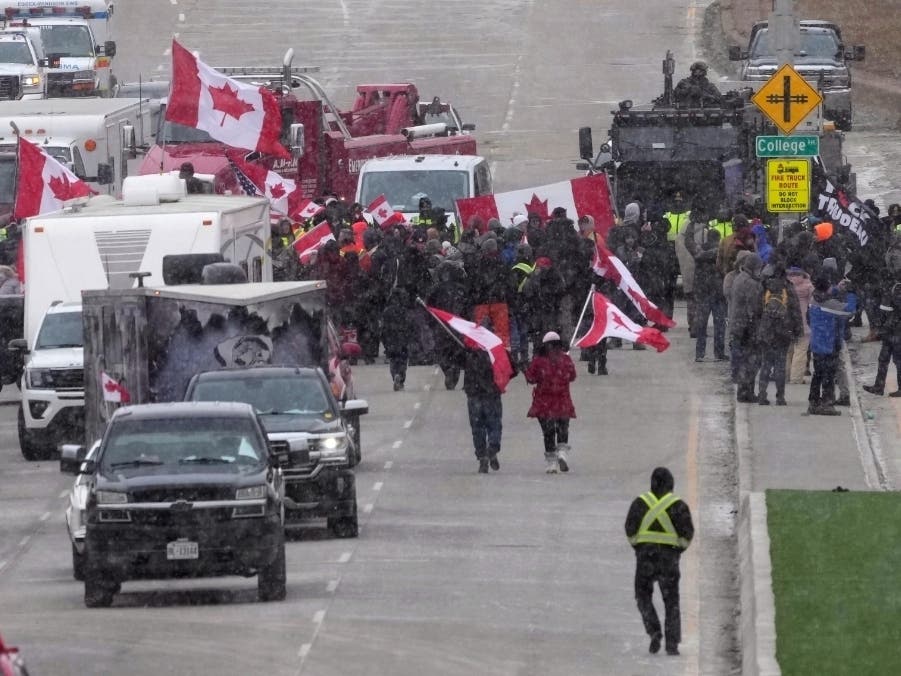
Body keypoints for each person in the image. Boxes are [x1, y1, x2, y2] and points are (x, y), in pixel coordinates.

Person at [624, 467, 694, 656]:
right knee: (671, 601)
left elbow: (630, 530)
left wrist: (639, 548)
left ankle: (654, 630)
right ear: (671, 485)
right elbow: (687, 534)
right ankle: (672, 644)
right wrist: (677, 550)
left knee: (643, 596)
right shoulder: (678, 505)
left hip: (645, 558)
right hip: (669, 560)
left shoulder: (640, 503)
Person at [524, 331, 576, 473]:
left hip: (544, 402)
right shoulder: (566, 359)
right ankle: (562, 452)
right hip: (563, 400)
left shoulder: (538, 360)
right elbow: (572, 376)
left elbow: (531, 378)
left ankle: (551, 463)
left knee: (548, 432)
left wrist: (525, 368)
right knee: (562, 428)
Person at [460, 344, 515, 473]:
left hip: (474, 394)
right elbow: (513, 369)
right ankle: (492, 448)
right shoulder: (497, 352)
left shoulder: (469, 353)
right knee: (494, 423)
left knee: (477, 427)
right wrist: (501, 378)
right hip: (492, 393)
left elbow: (455, 361)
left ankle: (482, 456)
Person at [807, 276, 856, 415]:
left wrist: (838, 288)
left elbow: (826, 292)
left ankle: (813, 402)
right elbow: (849, 311)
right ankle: (827, 404)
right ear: (826, 289)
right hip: (830, 344)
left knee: (818, 374)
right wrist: (852, 293)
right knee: (829, 375)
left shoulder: (814, 299)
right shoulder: (831, 305)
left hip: (817, 343)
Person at [756, 263, 804, 405]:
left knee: (765, 364)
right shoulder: (788, 287)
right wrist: (798, 330)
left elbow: (757, 309)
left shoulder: (765, 286)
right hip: (783, 331)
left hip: (766, 330)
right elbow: (795, 310)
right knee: (780, 365)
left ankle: (762, 395)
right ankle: (780, 397)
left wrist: (760, 327)